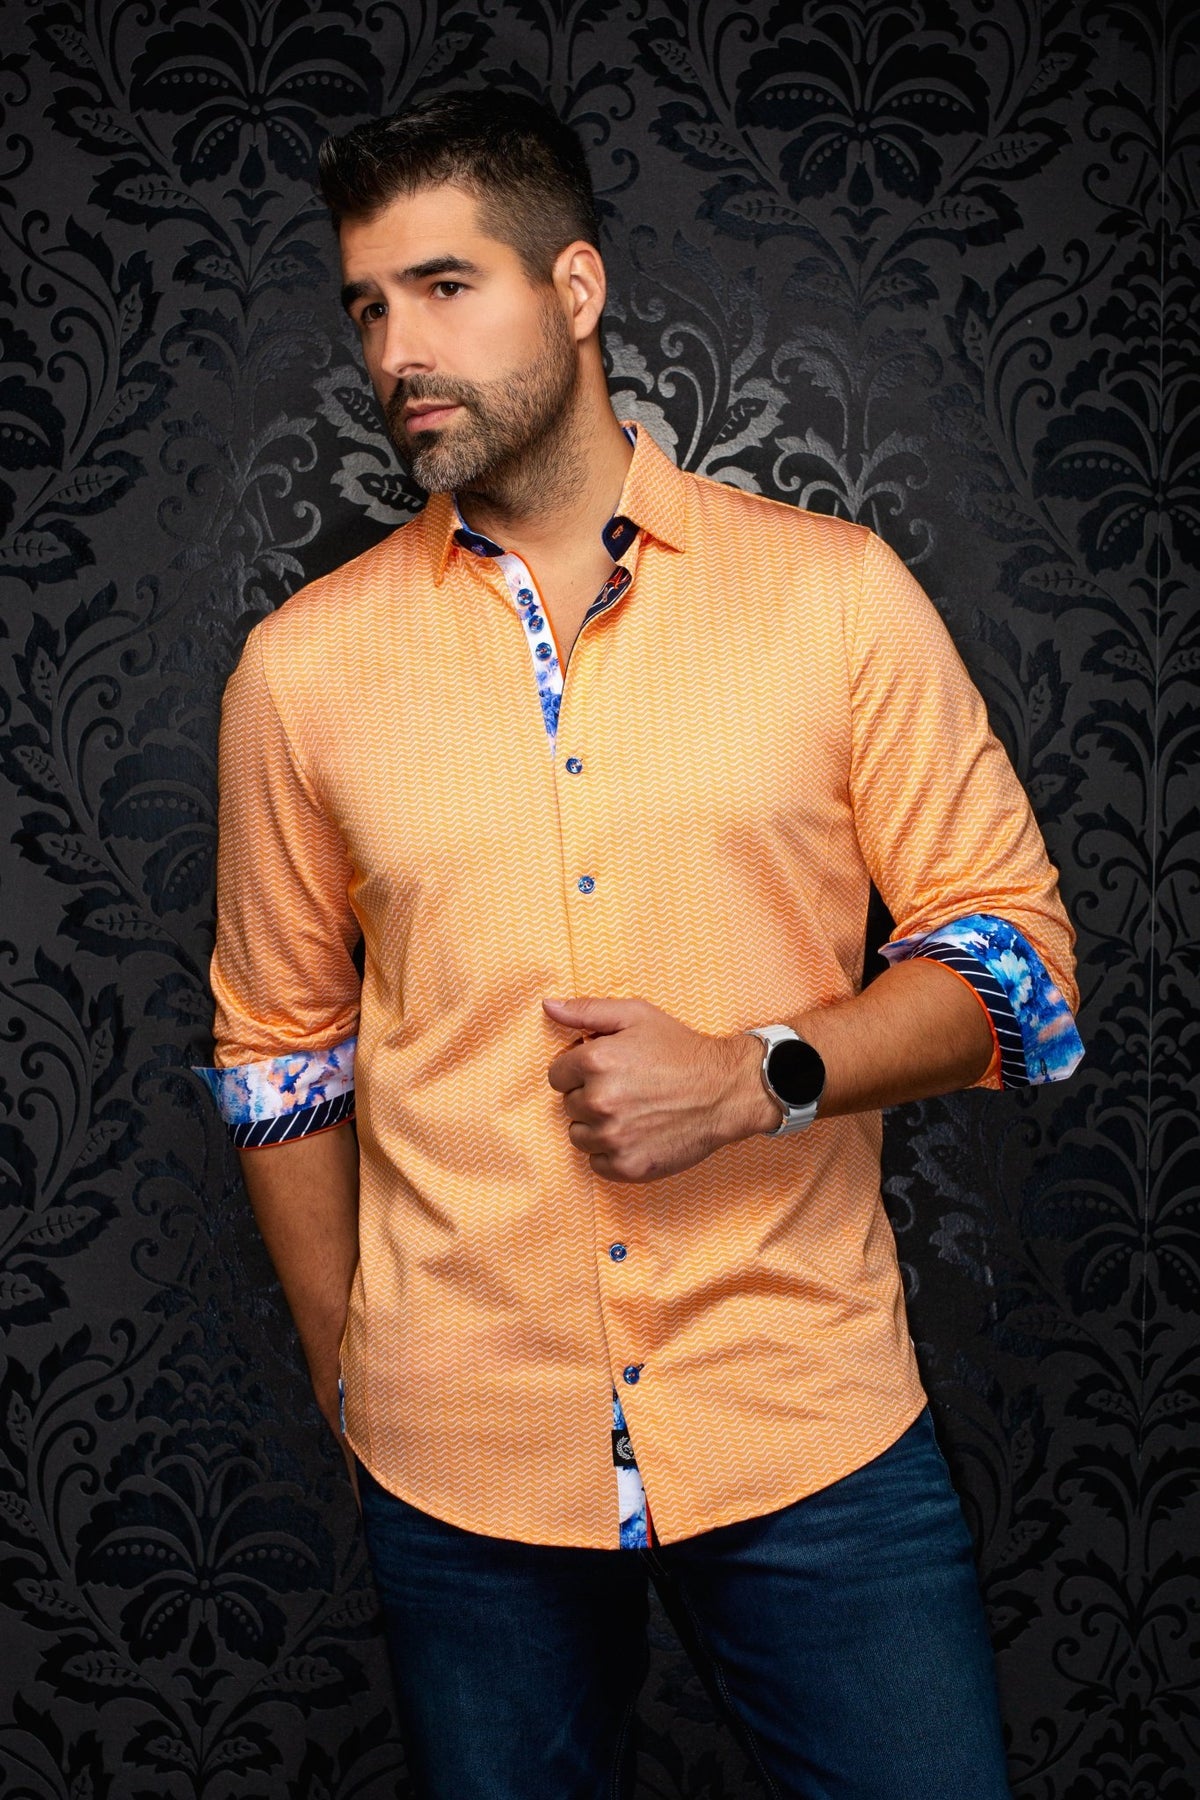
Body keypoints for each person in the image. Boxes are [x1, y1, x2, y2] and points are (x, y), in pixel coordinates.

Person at [197, 88, 1083, 1800]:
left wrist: (764, 1076)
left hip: (806, 1421)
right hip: (462, 1460)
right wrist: (353, 1373)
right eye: (367, 306)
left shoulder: (834, 594)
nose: (397, 349)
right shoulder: (298, 674)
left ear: (578, 287)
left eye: (445, 287)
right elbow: (276, 1054)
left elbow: (1019, 966)